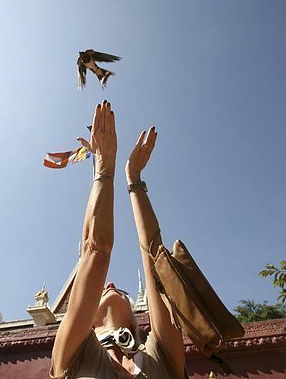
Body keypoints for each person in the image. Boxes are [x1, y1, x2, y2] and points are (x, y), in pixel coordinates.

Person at [50, 101, 185, 378]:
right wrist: (105, 168)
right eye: (103, 290)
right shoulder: (74, 354)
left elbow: (156, 265)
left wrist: (134, 180)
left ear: (136, 319)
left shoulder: (157, 355)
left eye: (113, 289)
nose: (110, 283)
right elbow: (95, 249)